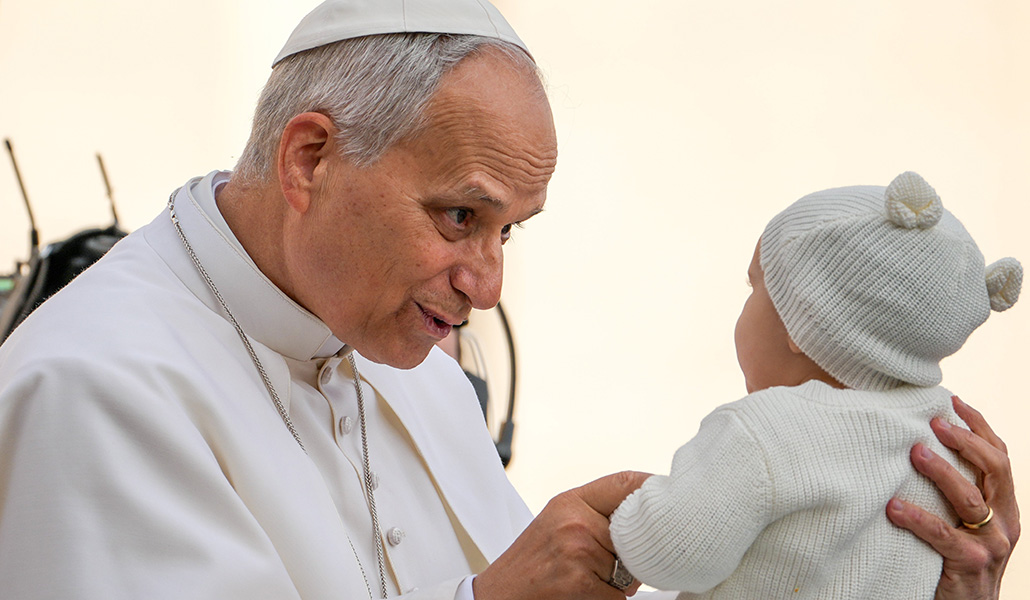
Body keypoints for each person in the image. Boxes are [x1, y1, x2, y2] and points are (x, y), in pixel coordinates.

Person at [0, 1, 1017, 598]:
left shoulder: (414, 360)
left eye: (508, 233)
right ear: (309, 156)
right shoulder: (93, 391)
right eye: (458, 218)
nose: (485, 287)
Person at [610, 172, 1022, 598]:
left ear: (800, 322)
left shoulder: (766, 428)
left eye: (755, 286)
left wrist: (636, 514)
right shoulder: (959, 446)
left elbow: (673, 556)